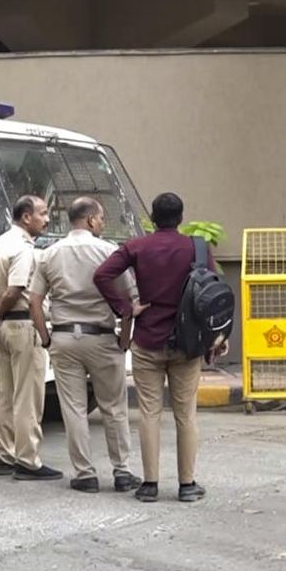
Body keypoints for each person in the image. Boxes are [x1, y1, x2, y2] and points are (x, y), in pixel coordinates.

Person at [94, 192, 227, 503]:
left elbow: (102, 275)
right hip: (186, 343)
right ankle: (187, 485)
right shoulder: (197, 247)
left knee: (149, 414)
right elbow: (212, 294)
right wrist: (216, 336)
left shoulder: (137, 247)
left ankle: (150, 484)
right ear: (181, 218)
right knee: (186, 415)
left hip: (147, 340)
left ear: (153, 218)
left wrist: (125, 308)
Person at [30, 197, 142, 493]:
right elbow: (130, 301)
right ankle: (122, 472)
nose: (102, 224)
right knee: (114, 407)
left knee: (74, 409)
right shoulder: (109, 252)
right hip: (102, 337)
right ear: (91, 219)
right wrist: (125, 339)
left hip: (64, 337)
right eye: (101, 218)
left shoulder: (49, 253)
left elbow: (34, 301)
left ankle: (84, 474)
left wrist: (46, 338)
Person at [0, 195, 62, 481]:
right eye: (43, 213)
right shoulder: (24, 249)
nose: (47, 219)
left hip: (6, 328)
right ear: (27, 217)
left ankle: (6, 455)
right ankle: (28, 460)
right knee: (28, 396)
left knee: (5, 394)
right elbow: (15, 289)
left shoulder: (0, 244)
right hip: (24, 326)